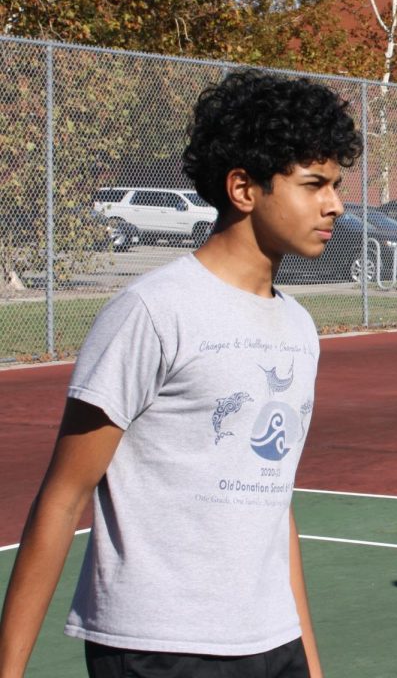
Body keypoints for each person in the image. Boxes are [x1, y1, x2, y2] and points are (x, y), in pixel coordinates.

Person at [0, 70, 361, 678]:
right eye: (314, 185)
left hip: (272, 644)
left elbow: (274, 506)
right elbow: (62, 499)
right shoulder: (152, 312)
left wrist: (308, 659)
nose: (335, 204)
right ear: (244, 189)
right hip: (156, 647)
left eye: (337, 184)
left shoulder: (299, 327)